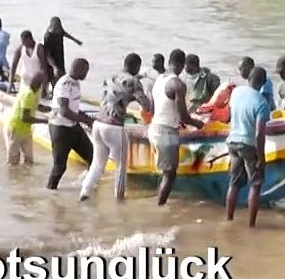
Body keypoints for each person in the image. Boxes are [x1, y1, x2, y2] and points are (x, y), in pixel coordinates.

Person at [81, 54, 154, 201]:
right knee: (121, 166)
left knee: (97, 163)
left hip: (98, 124)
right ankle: (119, 199)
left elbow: (116, 92)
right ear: (136, 66)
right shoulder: (133, 82)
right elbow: (145, 105)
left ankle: (85, 192)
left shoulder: (111, 77)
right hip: (114, 126)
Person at [150, 49, 207, 206]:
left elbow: (152, 107)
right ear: (182, 65)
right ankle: (159, 208)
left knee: (165, 171)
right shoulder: (178, 84)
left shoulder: (159, 80)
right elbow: (184, 116)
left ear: (169, 63)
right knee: (170, 175)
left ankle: (159, 201)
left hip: (154, 128)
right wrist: (198, 124)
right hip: (167, 133)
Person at [225, 66, 272, 228]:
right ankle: (251, 225)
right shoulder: (261, 103)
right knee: (256, 184)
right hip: (248, 145)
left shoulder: (236, 92)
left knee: (234, 183)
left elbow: (229, 116)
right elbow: (259, 133)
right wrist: (262, 158)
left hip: (232, 142)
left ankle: (229, 219)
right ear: (263, 82)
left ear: (248, 78)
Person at [46, 58, 95, 191]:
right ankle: (50, 192)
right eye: (86, 71)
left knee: (92, 156)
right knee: (60, 166)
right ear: (80, 69)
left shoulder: (75, 83)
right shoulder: (65, 83)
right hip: (60, 128)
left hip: (73, 126)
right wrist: (85, 121)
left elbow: (73, 108)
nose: (87, 74)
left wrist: (89, 119)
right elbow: (64, 111)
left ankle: (87, 187)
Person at [4, 71, 50, 166]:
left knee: (29, 160)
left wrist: (49, 109)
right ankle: (14, 178)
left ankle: (23, 178)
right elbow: (25, 117)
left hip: (26, 130)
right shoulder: (28, 94)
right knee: (13, 162)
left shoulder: (31, 92)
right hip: (15, 128)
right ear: (40, 85)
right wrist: (45, 121)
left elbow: (34, 105)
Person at [43, 16, 83, 82]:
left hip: (60, 56)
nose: (58, 31)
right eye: (56, 29)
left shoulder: (59, 30)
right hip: (52, 60)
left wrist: (75, 40)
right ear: (52, 27)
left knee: (62, 75)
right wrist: (54, 67)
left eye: (59, 28)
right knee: (54, 77)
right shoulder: (48, 36)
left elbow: (65, 33)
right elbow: (47, 54)